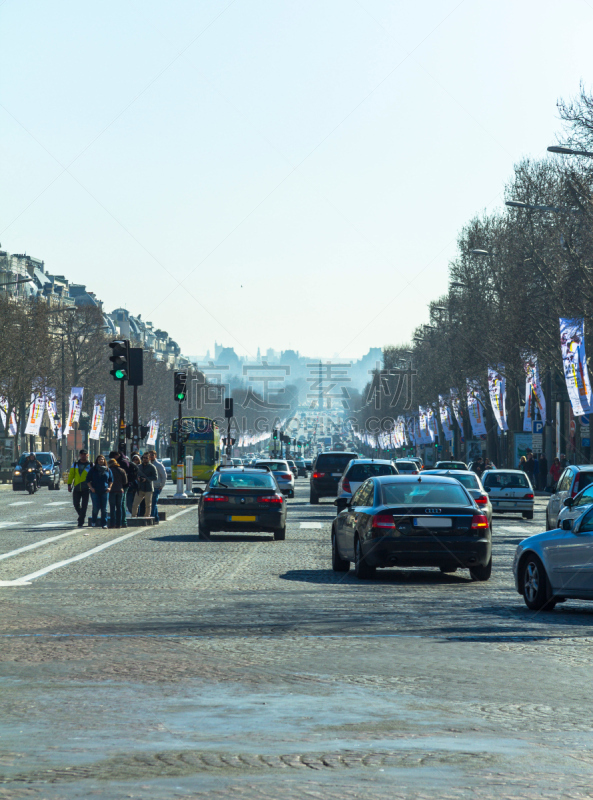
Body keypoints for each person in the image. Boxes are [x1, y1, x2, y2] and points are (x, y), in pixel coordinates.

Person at [86, 454, 113, 529]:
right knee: (96, 507)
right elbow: (88, 480)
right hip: (95, 491)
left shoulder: (108, 469)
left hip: (105, 491)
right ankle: (94, 521)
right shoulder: (93, 469)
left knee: (104, 509)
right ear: (97, 461)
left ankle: (104, 523)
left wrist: (109, 488)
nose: (101, 461)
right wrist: (91, 488)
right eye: (99, 459)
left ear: (104, 461)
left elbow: (111, 480)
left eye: (102, 459)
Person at [68, 449, 91, 527]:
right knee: (76, 504)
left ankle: (81, 521)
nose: (83, 455)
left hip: (86, 488)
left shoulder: (91, 465)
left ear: (87, 455)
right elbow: (71, 475)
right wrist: (69, 484)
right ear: (80, 455)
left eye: (85, 454)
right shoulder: (75, 464)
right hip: (77, 487)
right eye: (82, 454)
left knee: (84, 505)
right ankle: (82, 516)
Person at [132, 453, 158, 518]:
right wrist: (137, 478)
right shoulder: (139, 467)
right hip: (140, 488)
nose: (145, 459)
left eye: (146, 458)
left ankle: (147, 517)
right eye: (144, 458)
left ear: (149, 458)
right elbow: (135, 475)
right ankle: (134, 516)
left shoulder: (152, 467)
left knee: (148, 505)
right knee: (135, 504)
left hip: (148, 488)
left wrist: (146, 479)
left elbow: (155, 477)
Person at [148, 450, 167, 525]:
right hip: (149, 487)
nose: (151, 456)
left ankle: (153, 518)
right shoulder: (148, 464)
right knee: (152, 503)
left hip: (156, 487)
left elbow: (164, 476)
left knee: (153, 503)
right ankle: (156, 518)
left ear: (155, 456)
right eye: (150, 455)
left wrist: (161, 486)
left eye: (152, 455)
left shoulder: (158, 465)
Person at [107, 458, 127, 529]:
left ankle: (112, 524)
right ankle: (119, 524)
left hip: (112, 491)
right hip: (120, 490)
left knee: (112, 507)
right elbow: (125, 482)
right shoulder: (122, 470)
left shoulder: (109, 470)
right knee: (119, 507)